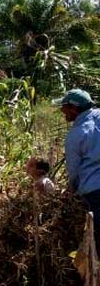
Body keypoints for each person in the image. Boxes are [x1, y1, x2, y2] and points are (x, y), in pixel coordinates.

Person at [55, 88, 100, 250]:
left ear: (74, 108)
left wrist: (71, 192)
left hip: (95, 195)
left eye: (64, 107)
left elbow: (74, 174)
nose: (62, 111)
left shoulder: (76, 135)